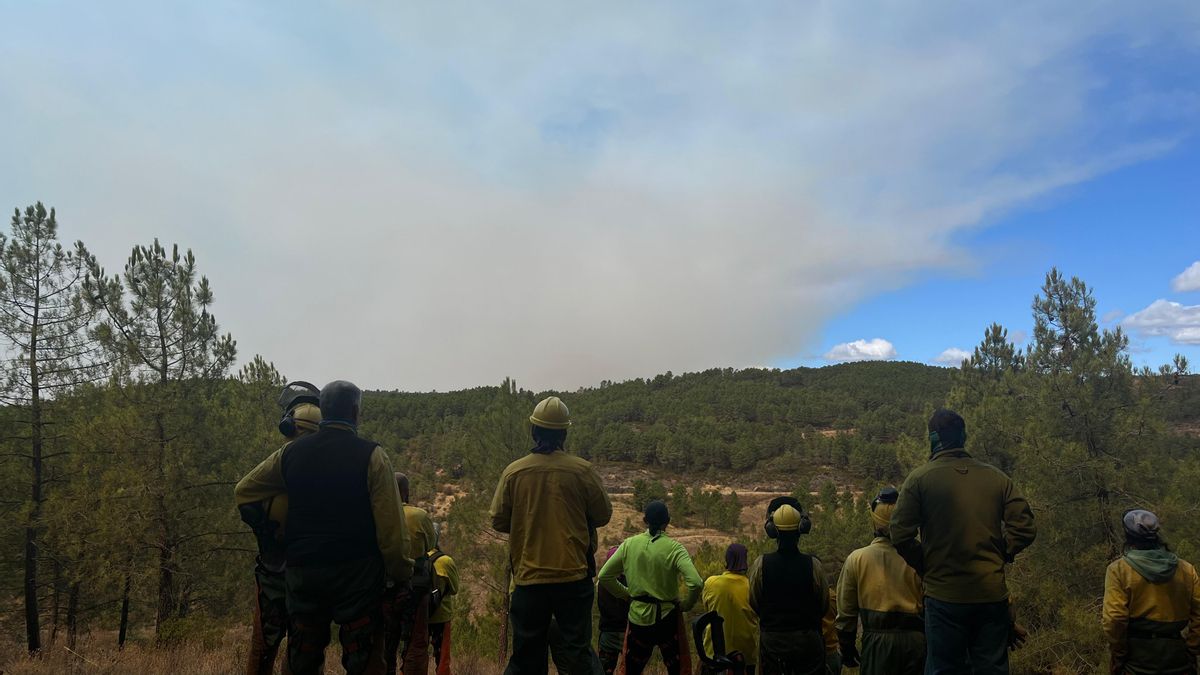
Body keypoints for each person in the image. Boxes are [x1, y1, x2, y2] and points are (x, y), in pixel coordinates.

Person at [234, 380, 412, 675]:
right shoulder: (373, 456)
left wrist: (272, 536)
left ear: (323, 411)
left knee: (302, 657)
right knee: (366, 658)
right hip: (358, 578)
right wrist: (400, 574)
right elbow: (391, 531)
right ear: (355, 413)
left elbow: (244, 491)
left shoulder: (289, 454)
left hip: (304, 575)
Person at [891, 408, 1036, 675]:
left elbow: (900, 534)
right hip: (991, 595)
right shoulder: (997, 478)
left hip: (944, 596)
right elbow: (1025, 527)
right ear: (963, 436)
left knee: (944, 669)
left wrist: (926, 564)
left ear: (933, 439)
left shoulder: (919, 479)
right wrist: (1001, 553)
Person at [490, 396, 612, 675]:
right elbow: (603, 515)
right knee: (577, 654)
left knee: (526, 657)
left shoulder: (514, 472)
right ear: (563, 434)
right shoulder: (582, 471)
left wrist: (528, 523)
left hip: (528, 578)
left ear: (534, 430)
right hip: (574, 577)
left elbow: (498, 519)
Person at [236, 381, 322, 675]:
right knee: (306, 650)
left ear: (290, 425)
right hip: (312, 572)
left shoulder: (283, 459)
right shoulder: (332, 465)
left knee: (263, 647)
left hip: (275, 569)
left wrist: (265, 531)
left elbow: (243, 492)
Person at [598, 500, 704, 675]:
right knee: (677, 669)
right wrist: (686, 605)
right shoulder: (675, 548)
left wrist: (626, 594)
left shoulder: (629, 544)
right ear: (667, 522)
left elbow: (604, 576)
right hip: (667, 619)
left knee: (631, 669)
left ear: (645, 521)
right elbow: (696, 582)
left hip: (638, 618)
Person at [836, 487, 924, 675]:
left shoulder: (857, 559)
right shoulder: (920, 557)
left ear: (874, 522)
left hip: (877, 643)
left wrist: (847, 648)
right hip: (917, 642)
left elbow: (846, 613)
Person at [1102, 509, 1200, 675]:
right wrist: (1192, 649)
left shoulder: (1119, 570)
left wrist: (1119, 655)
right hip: (1178, 658)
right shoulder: (1186, 570)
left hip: (1136, 660)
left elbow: (1114, 619)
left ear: (1128, 536)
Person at [749, 503, 829, 675]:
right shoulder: (814, 565)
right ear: (801, 530)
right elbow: (824, 604)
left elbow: (754, 601)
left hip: (773, 642)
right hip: (808, 640)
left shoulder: (761, 564)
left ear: (773, 531)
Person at [384, 473, 438, 675]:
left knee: (384, 644)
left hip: (384, 588)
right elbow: (431, 544)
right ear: (406, 492)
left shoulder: (378, 515)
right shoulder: (420, 516)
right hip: (416, 587)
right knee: (416, 643)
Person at [702, 543, 758, 674]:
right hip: (745, 656)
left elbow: (707, 610)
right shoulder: (752, 587)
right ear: (745, 562)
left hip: (714, 653)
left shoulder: (711, 583)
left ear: (727, 560)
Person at [427, 525, 459, 675]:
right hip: (442, 616)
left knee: (414, 654)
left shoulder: (414, 559)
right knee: (442, 659)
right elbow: (454, 589)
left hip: (419, 615)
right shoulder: (446, 561)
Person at [597, 546, 631, 675]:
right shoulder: (629, 581)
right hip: (626, 632)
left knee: (604, 670)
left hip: (607, 632)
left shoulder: (601, 583)